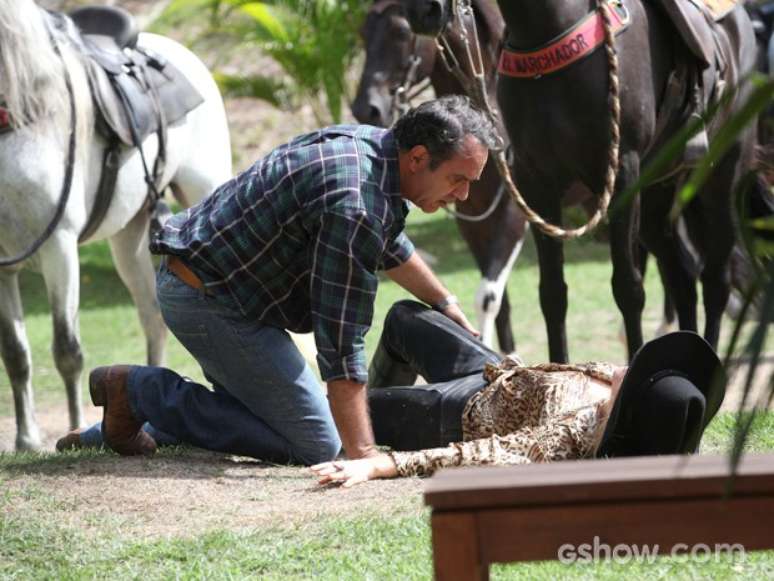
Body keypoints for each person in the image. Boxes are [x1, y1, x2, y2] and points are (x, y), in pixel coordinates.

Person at [56, 95, 499, 465]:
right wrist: (363, 457)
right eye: (458, 180)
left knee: (273, 415)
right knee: (316, 443)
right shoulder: (356, 203)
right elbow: (340, 342)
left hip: (225, 289)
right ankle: (140, 389)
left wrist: (443, 302)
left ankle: (118, 420)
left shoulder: (375, 147)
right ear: (419, 158)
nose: (463, 195)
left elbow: (390, 242)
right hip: (208, 301)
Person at [310, 300, 727, 487]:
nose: (631, 364)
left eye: (639, 373)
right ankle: (378, 399)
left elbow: (478, 455)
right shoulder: (609, 386)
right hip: (491, 372)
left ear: (629, 404)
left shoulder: (569, 437)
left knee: (335, 411)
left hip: (454, 412)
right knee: (404, 316)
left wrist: (379, 465)